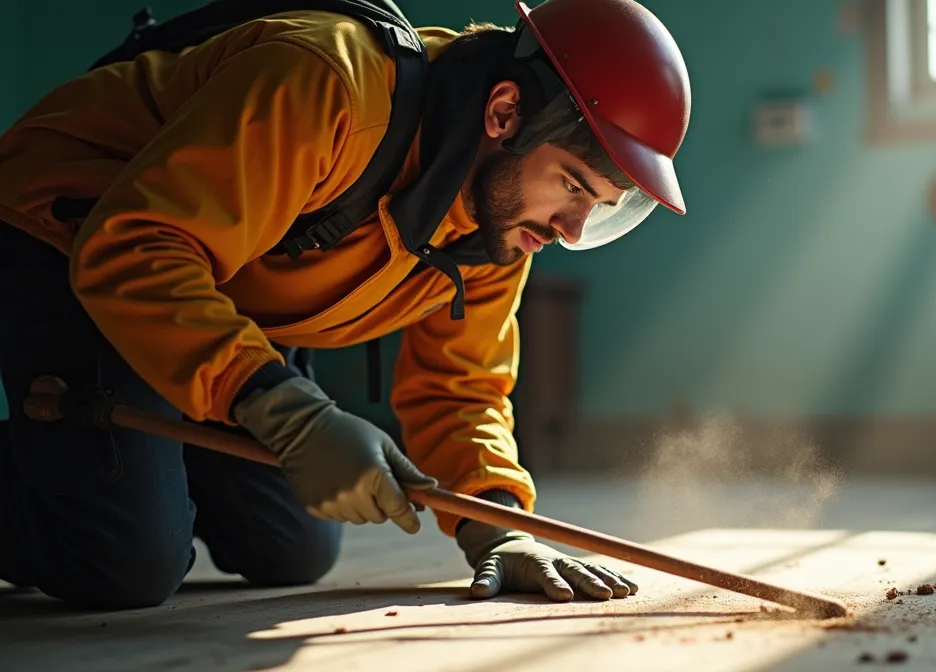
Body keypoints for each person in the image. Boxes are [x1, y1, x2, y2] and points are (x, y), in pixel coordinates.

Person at [0, 0, 691, 610]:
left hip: (224, 293)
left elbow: (462, 384)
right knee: (127, 567)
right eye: (571, 186)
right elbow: (137, 245)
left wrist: (496, 521)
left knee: (289, 550)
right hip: (73, 243)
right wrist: (283, 410)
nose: (571, 230)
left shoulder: (495, 224)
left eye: (595, 210)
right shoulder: (327, 86)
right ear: (504, 112)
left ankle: (129, 458)